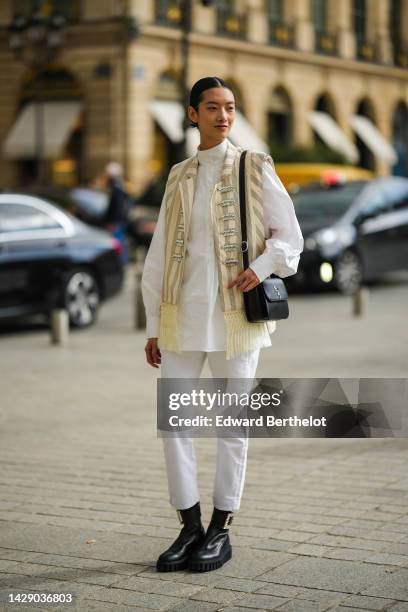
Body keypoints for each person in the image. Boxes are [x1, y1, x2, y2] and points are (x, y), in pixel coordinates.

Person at [141, 76, 304, 573]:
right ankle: (189, 525)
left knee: (233, 428)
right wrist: (152, 324)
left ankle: (220, 530)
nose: (223, 116)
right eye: (212, 107)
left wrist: (262, 265)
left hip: (237, 321)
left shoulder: (254, 167)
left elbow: (290, 237)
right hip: (181, 319)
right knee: (176, 427)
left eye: (230, 107)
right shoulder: (178, 176)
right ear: (193, 114)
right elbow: (156, 256)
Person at [101, 161, 130, 264]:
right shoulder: (119, 185)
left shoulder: (116, 187)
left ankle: (121, 263)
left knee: (118, 244)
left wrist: (112, 222)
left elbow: (117, 207)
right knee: (119, 243)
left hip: (116, 222)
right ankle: (122, 262)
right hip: (118, 221)